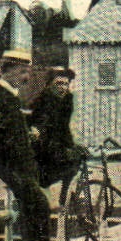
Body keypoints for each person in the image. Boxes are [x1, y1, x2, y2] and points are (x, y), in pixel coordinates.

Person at [0, 49, 65, 241]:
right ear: (10, 71)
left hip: (20, 163)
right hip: (10, 164)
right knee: (38, 205)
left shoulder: (10, 96)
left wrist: (27, 133)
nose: (26, 77)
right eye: (23, 71)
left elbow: (8, 129)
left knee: (34, 207)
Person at [31, 66, 84, 199]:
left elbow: (64, 127)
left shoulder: (67, 100)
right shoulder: (42, 100)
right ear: (49, 85)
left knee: (77, 158)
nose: (63, 87)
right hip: (41, 146)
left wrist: (71, 146)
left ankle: (65, 198)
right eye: (58, 83)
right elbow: (43, 126)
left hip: (57, 143)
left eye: (66, 84)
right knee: (47, 176)